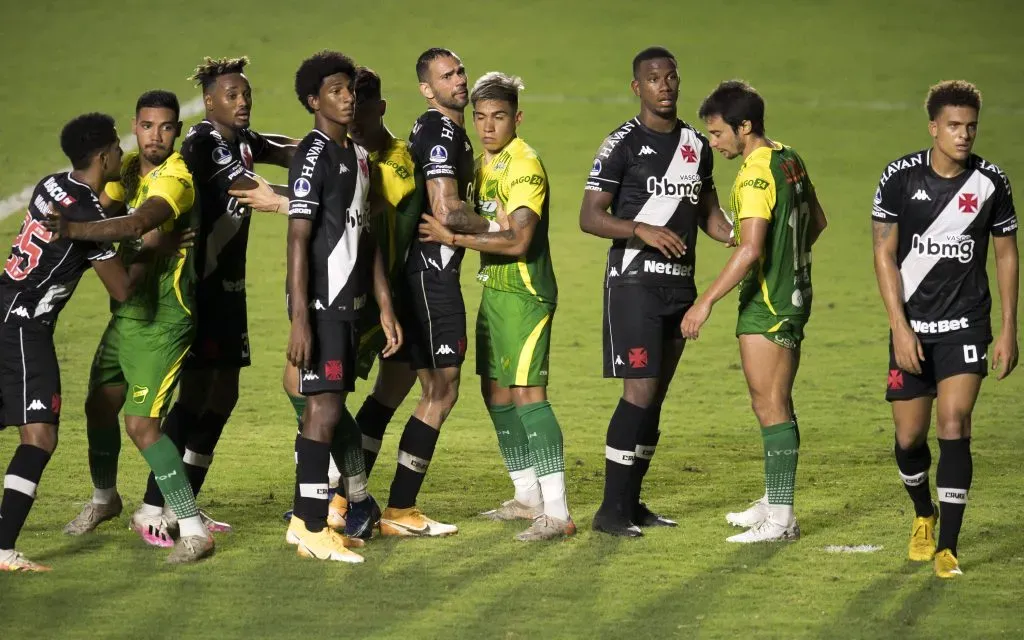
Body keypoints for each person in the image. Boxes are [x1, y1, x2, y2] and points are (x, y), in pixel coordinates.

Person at [1, 113, 210, 570]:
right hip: (24, 326)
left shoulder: (49, 185)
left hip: (7, 305)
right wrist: (155, 247)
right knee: (39, 437)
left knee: (107, 412)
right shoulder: (86, 213)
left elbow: (116, 216)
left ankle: (125, 506)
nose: (123, 152)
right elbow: (122, 287)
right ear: (101, 157)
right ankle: (5, 548)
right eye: (117, 145)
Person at [137, 56, 297, 531]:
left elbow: (287, 149)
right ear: (209, 102)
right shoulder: (205, 143)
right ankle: (153, 508)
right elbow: (251, 189)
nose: (242, 102)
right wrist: (322, 197)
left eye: (245, 94)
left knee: (224, 394)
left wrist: (335, 154)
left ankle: (184, 502)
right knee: (195, 395)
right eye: (232, 95)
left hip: (230, 286)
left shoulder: (241, 139)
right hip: (199, 286)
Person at [579, 46, 734, 537]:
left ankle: (631, 502)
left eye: (670, 77)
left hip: (679, 288)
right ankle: (609, 512)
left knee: (656, 397)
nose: (664, 86)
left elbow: (707, 212)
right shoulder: (621, 143)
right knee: (639, 392)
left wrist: (739, 236)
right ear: (637, 88)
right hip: (634, 283)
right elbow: (589, 216)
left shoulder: (696, 143)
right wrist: (639, 229)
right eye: (653, 79)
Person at [871, 80, 1017, 578]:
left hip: (965, 326)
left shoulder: (991, 182)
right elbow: (883, 255)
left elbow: (1005, 254)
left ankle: (948, 547)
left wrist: (1007, 329)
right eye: (954, 126)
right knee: (910, 437)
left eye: (971, 126)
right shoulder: (898, 178)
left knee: (954, 424)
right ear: (934, 127)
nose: (964, 135)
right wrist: (900, 327)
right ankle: (923, 515)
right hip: (911, 327)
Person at [418, 72, 573, 540]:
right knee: (496, 393)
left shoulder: (524, 165)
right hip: (494, 290)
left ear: (517, 118)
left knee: (528, 394)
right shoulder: (486, 165)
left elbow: (520, 239)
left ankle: (558, 511)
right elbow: (491, 223)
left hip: (525, 292)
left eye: (499, 117)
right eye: (481, 117)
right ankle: (527, 496)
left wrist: (454, 237)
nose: (487, 126)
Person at [57, 91, 206, 549]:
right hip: (126, 314)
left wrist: (72, 229)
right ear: (134, 127)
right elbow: (109, 208)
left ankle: (194, 528)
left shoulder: (176, 177)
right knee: (99, 405)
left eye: (165, 127)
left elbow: (135, 223)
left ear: (177, 130)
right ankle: (105, 499)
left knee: (141, 425)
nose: (155, 136)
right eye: (146, 126)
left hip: (163, 320)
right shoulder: (124, 171)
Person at [682, 80, 828, 542]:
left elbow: (749, 250)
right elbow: (817, 222)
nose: (713, 141)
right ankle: (773, 499)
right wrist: (784, 258)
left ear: (744, 127)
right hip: (792, 293)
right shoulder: (789, 158)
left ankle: (781, 520)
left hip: (769, 304)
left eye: (717, 133)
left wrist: (704, 302)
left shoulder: (754, 173)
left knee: (770, 405)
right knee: (774, 401)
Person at [283, 50, 401, 562]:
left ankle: (308, 523)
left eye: (350, 89)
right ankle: (310, 525)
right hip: (321, 303)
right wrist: (300, 319)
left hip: (350, 304)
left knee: (328, 409)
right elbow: (297, 238)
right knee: (323, 410)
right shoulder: (311, 155)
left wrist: (384, 305)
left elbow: (366, 236)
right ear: (313, 100)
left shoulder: (356, 155)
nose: (348, 97)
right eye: (335, 90)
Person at [377, 48, 493, 538]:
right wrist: (496, 225)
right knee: (441, 390)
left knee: (392, 389)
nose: (459, 80)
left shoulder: (445, 131)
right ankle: (399, 509)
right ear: (427, 89)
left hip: (416, 274)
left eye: (461, 71)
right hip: (432, 275)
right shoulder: (441, 131)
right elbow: (446, 212)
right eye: (447, 76)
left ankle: (343, 498)